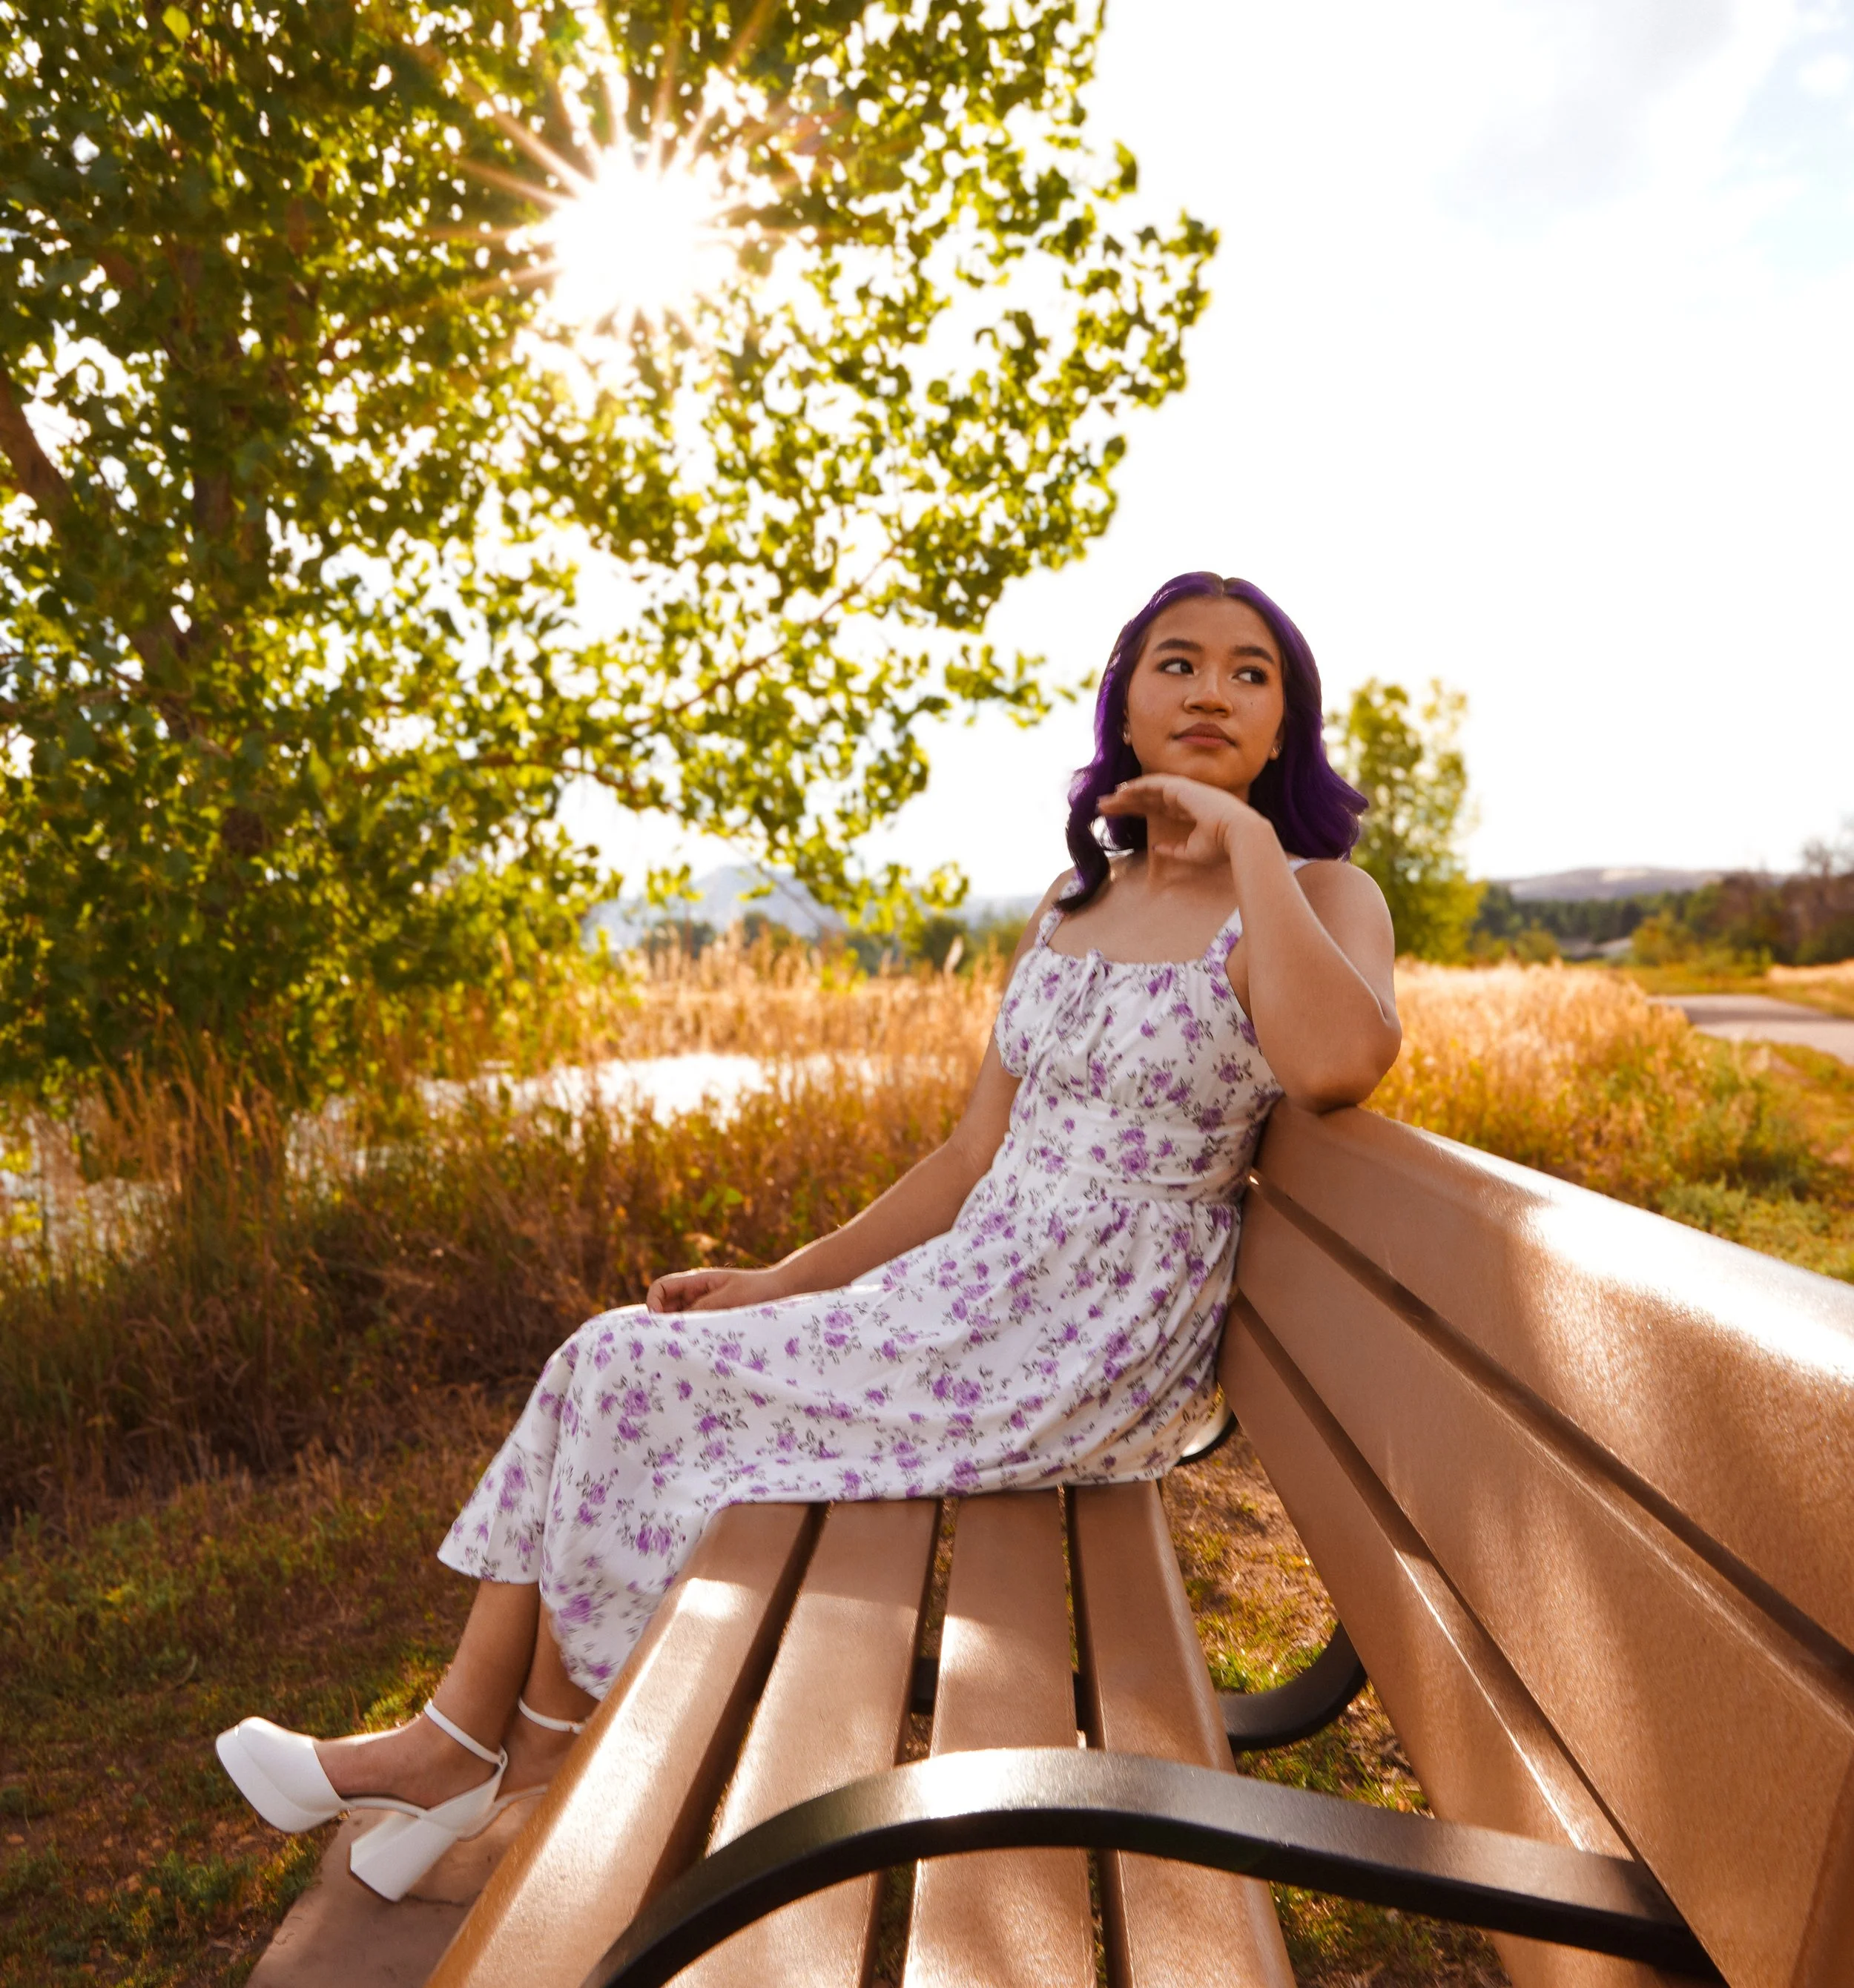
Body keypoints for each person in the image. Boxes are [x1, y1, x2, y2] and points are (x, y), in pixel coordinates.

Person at [214, 571, 1402, 1899]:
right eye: (1178, 662)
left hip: (1086, 1346)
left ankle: (499, 1776)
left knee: (627, 1375)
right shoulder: (1072, 909)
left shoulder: (1315, 893)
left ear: (1286, 722)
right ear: (1125, 701)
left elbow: (1341, 1063)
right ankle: (488, 1759)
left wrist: (1243, 844)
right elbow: (965, 1162)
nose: (1211, 691)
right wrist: (780, 1282)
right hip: (971, 1299)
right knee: (617, 1356)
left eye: (1253, 674)